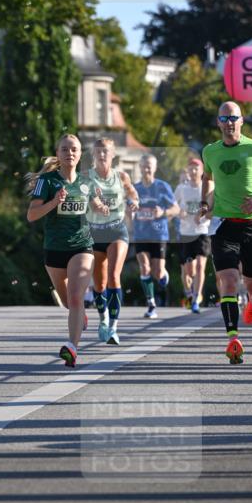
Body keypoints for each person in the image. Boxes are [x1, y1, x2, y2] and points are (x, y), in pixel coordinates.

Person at [200, 101, 252, 364]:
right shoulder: (210, 151)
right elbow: (207, 178)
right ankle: (233, 338)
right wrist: (204, 203)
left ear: (241, 121)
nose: (230, 122)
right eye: (225, 118)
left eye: (234, 117)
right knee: (229, 282)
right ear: (219, 122)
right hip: (223, 225)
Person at [26, 133, 103, 368]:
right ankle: (80, 317)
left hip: (82, 245)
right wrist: (53, 202)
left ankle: (72, 347)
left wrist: (101, 206)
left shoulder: (88, 182)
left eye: (74, 150)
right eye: (65, 149)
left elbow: (96, 207)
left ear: (80, 155)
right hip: (54, 248)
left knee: (76, 296)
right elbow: (31, 215)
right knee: (68, 301)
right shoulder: (46, 181)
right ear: (58, 154)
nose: (69, 153)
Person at [87, 137, 139, 345]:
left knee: (113, 276)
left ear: (113, 154)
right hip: (94, 232)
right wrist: (96, 204)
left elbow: (133, 193)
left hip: (117, 230)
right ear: (93, 155)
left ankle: (114, 328)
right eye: (98, 151)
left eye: (105, 151)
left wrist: (134, 202)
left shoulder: (122, 176)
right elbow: (88, 197)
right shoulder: (86, 178)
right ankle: (103, 319)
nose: (102, 155)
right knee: (98, 283)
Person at [132, 154, 179, 319]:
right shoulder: (135, 188)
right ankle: (151, 303)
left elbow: (176, 209)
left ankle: (163, 274)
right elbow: (127, 207)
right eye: (144, 165)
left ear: (155, 167)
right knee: (144, 267)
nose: (146, 169)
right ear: (139, 167)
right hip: (140, 234)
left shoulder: (162, 187)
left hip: (159, 233)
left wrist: (163, 212)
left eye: (149, 166)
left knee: (157, 272)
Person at [174, 158, 212, 313]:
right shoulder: (181, 189)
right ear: (187, 170)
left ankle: (196, 298)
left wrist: (203, 215)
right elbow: (172, 206)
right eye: (191, 168)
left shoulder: (208, 187)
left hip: (202, 231)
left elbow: (213, 207)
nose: (194, 171)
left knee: (200, 265)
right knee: (188, 271)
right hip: (185, 233)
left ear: (202, 171)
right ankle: (189, 293)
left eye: (196, 168)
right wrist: (179, 212)